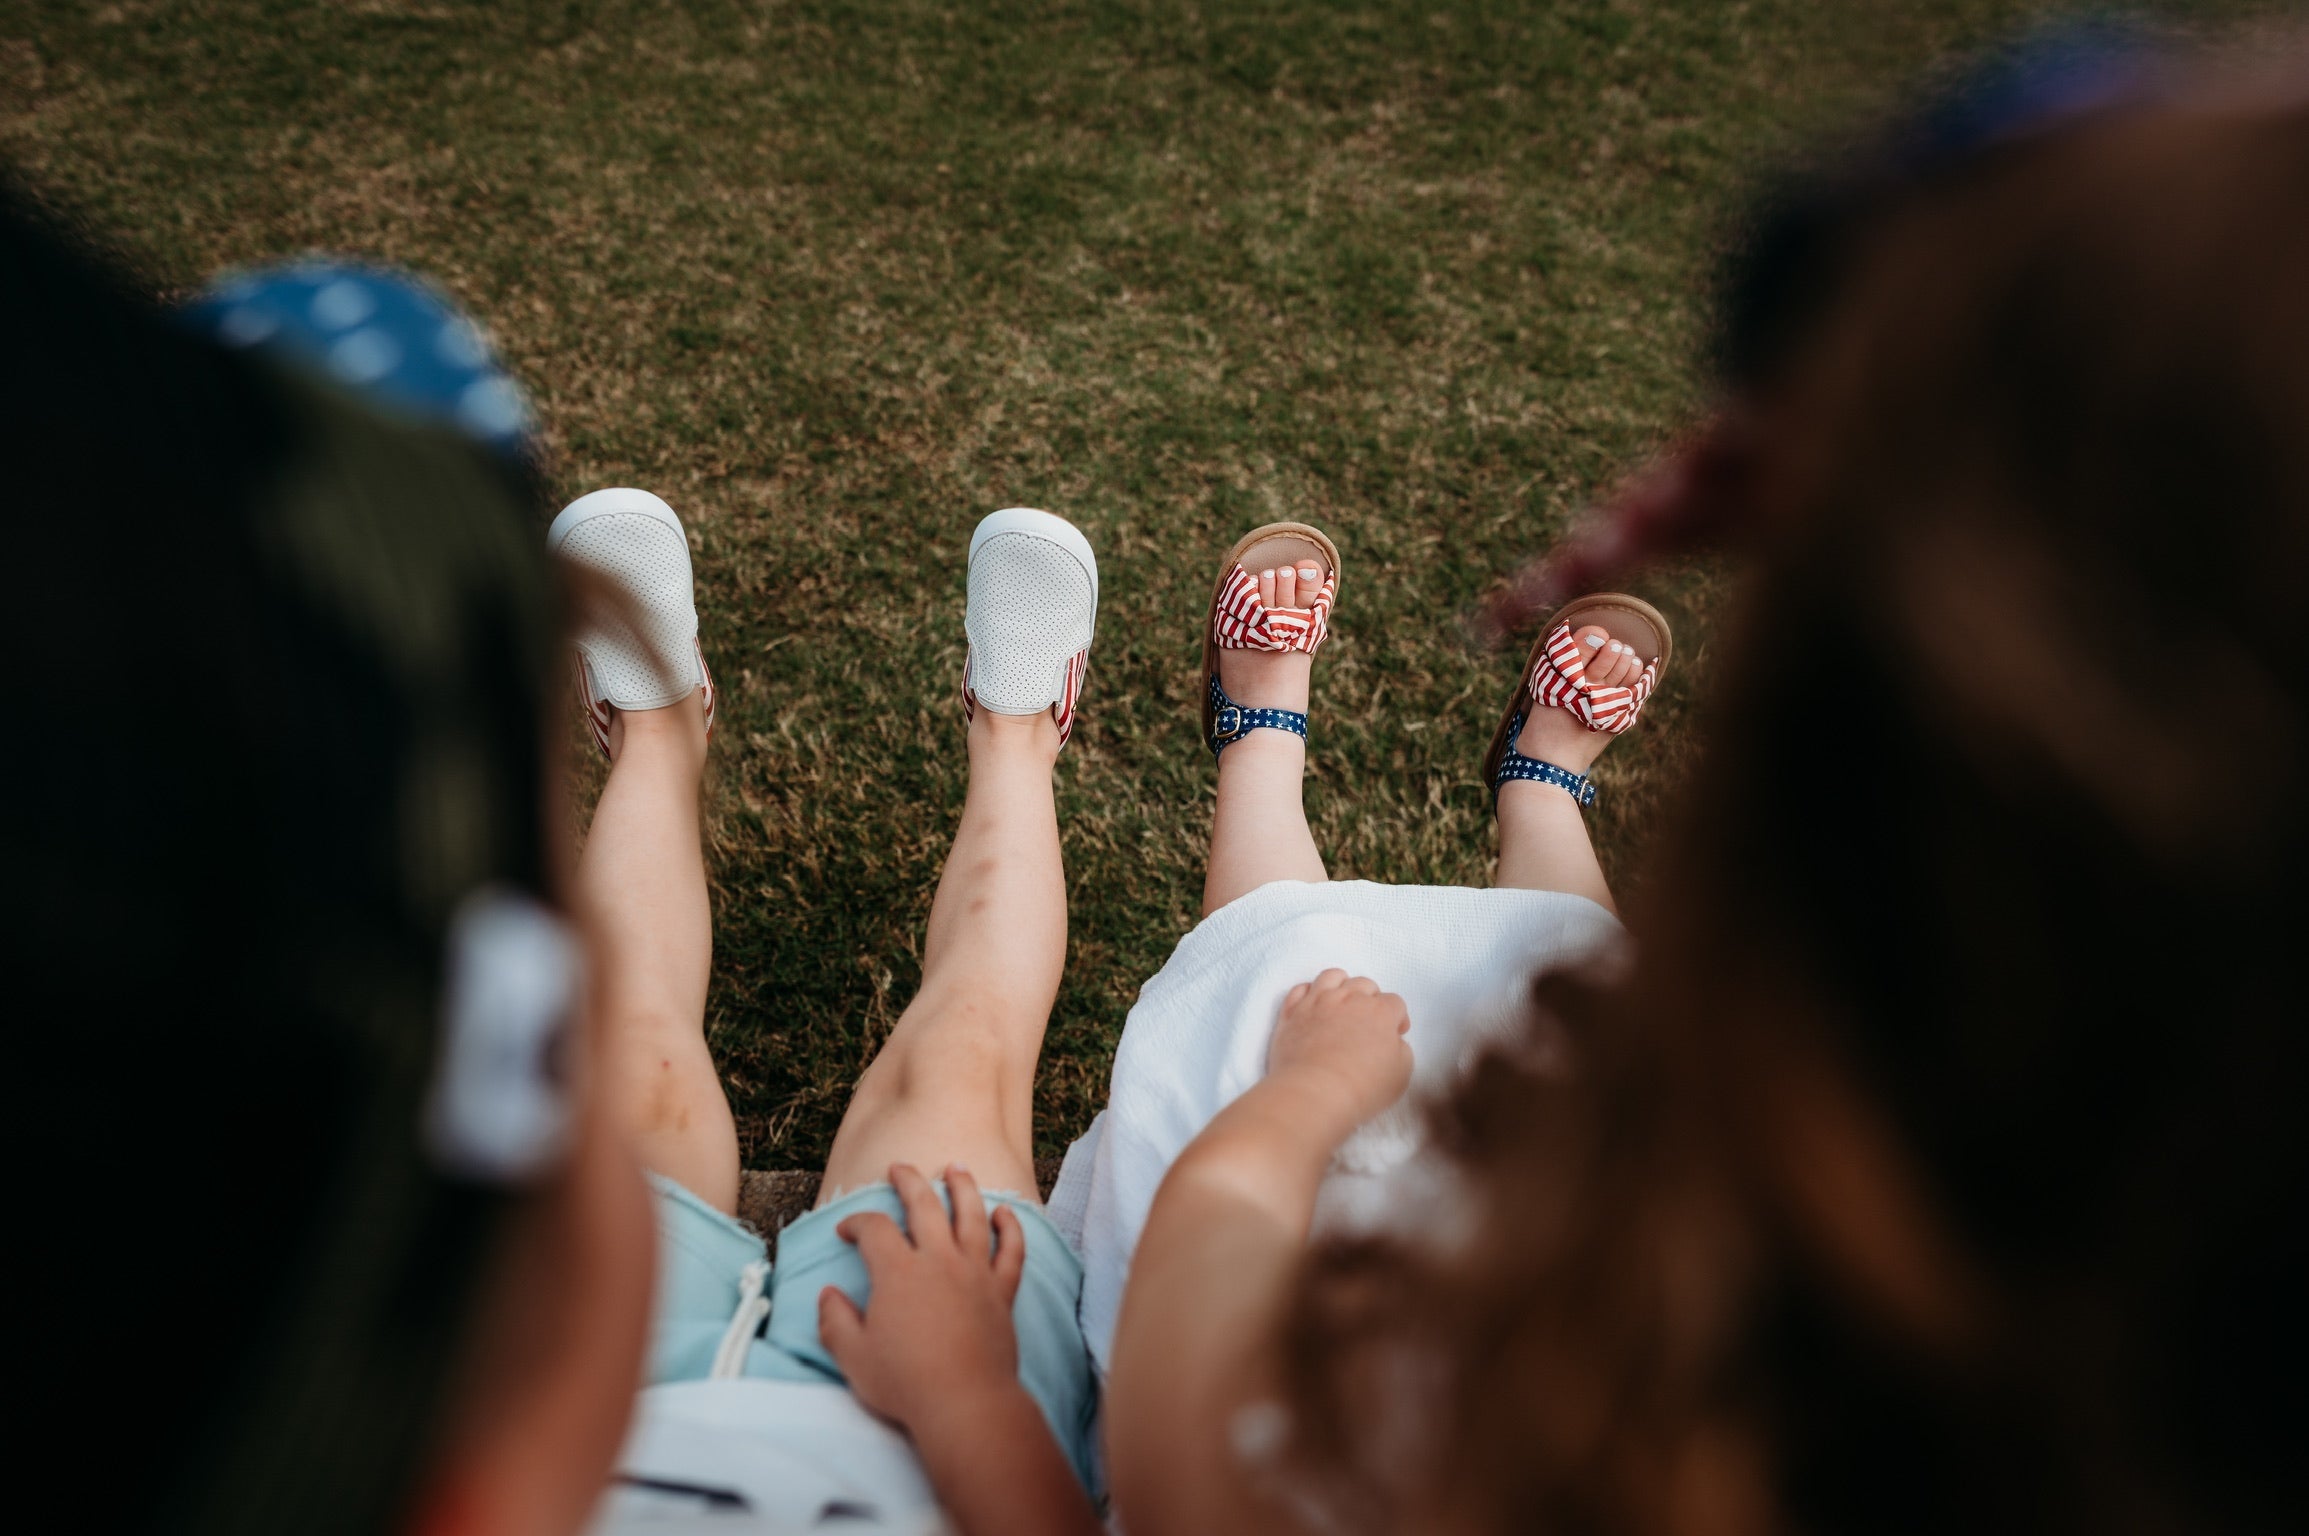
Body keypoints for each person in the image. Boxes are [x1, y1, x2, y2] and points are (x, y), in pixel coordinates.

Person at [1097, 53, 2309, 1536]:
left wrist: (1297, 1109)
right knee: (1559, 960)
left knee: (1294, 974)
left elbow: (1191, 1458)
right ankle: (1540, 792)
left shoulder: (1553, 1414)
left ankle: (1263, 743)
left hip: (1313, 1207)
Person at [566, 490, 1105, 1536]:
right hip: (934, 1460)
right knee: (956, 1067)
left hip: (586, 1421)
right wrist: (967, 1396)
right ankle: (1014, 738)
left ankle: (659, 731)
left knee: (624, 1061)